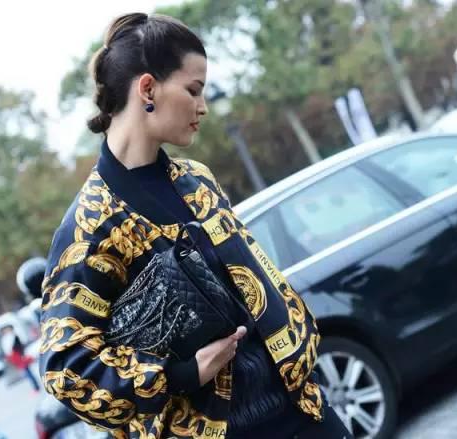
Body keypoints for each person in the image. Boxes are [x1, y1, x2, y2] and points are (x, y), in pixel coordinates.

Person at [38, 13, 353, 439]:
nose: (202, 106)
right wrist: (178, 375)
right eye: (193, 89)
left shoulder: (196, 179)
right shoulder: (90, 224)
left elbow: (256, 280)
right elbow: (65, 369)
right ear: (147, 89)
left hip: (300, 407)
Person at [0, 325, 39, 392]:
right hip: (16, 357)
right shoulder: (8, 338)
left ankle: (36, 387)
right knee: (27, 372)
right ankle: (36, 387)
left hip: (19, 356)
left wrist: (21, 355)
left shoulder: (14, 337)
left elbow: (19, 347)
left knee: (28, 372)